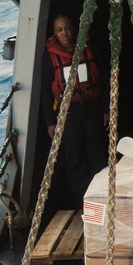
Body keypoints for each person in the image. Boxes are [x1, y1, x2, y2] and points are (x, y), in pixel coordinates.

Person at [42, 13, 107, 204]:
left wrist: (106, 109)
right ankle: (80, 200)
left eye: (67, 28)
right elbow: (45, 91)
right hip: (68, 113)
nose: (64, 33)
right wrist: (50, 122)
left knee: (97, 152)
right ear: (54, 33)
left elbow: (104, 79)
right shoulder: (49, 58)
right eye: (59, 30)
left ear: (74, 29)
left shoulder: (90, 49)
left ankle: (101, 196)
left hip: (92, 109)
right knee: (73, 155)